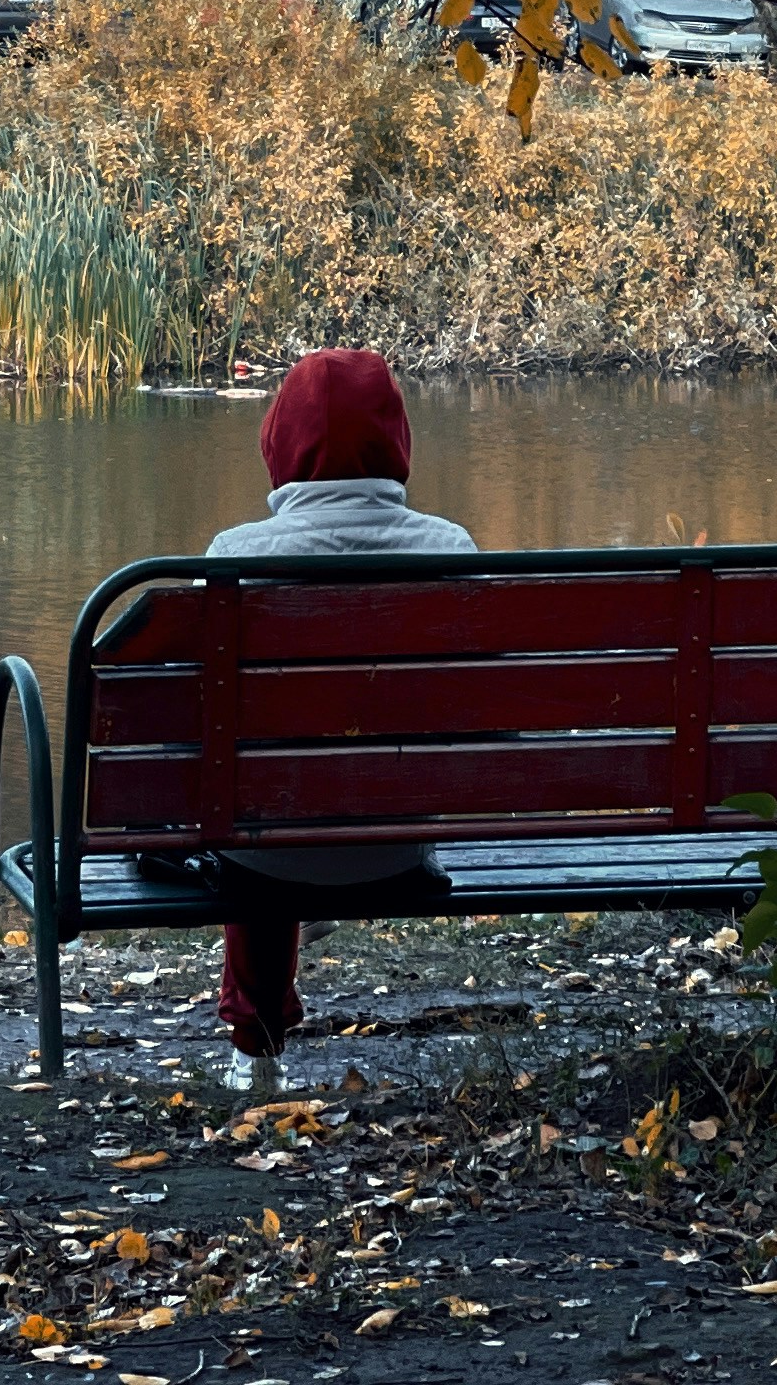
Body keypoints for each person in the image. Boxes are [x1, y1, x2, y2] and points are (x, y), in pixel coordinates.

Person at [200, 347, 476, 1094]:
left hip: (268, 854)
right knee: (278, 797)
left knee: (253, 809)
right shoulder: (449, 551)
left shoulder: (234, 559)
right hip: (398, 845)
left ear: (279, 440)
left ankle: (254, 1042)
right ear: (397, 441)